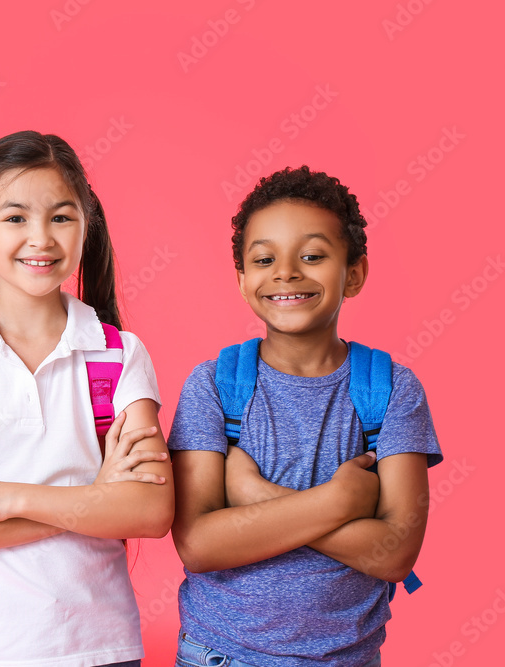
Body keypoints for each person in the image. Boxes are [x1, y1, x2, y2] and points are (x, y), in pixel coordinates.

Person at [0, 130, 174, 666]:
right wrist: (95, 498)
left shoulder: (120, 355)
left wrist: (1, 498)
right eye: (16, 217)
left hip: (100, 646)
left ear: (86, 225)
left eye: (62, 217)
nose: (41, 238)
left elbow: (151, 510)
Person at [167, 166, 442, 666]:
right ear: (242, 279)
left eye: (312, 256)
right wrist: (338, 504)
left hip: (348, 657)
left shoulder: (391, 390)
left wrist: (256, 495)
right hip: (222, 654)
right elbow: (198, 544)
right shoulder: (213, 386)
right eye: (264, 259)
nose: (286, 272)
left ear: (354, 273)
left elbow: (396, 554)